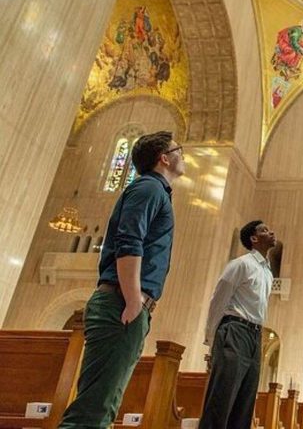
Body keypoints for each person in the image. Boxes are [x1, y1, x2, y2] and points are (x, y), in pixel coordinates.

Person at [59, 131, 184, 428]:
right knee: (92, 412)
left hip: (124, 305)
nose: (184, 155)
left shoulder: (154, 190)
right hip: (121, 303)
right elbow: (130, 241)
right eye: (179, 149)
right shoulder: (149, 189)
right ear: (164, 158)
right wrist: (131, 300)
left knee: (102, 406)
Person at [199, 220, 277, 429]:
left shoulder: (268, 273)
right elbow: (218, 300)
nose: (271, 232)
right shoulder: (241, 264)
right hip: (234, 330)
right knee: (222, 398)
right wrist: (212, 339)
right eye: (264, 230)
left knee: (245, 401)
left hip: (255, 336)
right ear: (253, 238)